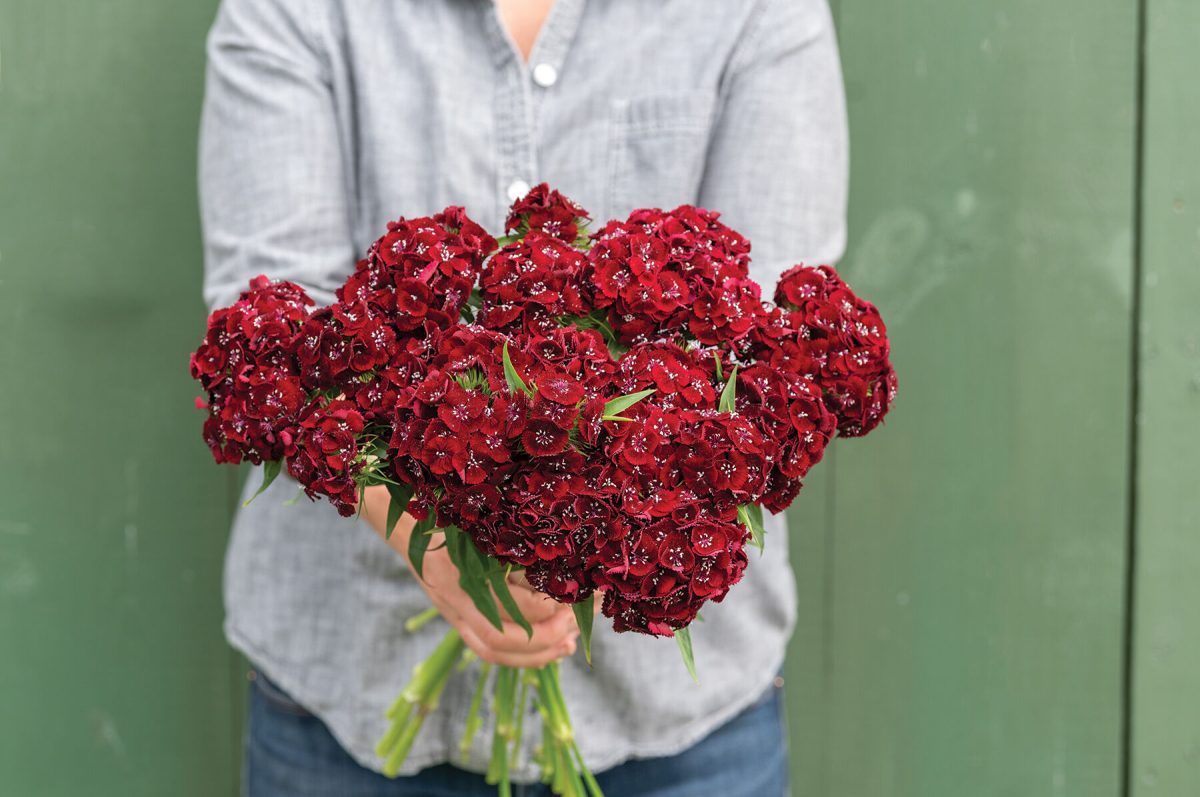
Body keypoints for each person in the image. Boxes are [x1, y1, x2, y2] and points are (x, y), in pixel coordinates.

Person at [199, 0, 847, 794]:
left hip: (680, 728)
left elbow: (767, 343)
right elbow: (273, 325)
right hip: (349, 704)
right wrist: (430, 540)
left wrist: (578, 523)